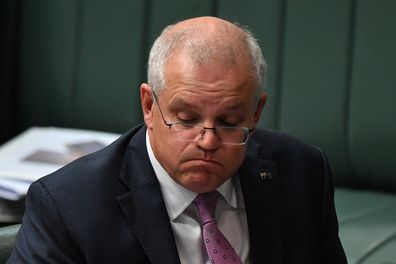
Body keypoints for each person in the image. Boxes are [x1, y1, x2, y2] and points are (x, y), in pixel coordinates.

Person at [7, 16, 347, 263]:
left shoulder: (303, 173)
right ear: (149, 106)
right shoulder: (69, 207)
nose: (208, 141)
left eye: (229, 122)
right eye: (186, 119)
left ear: (256, 114)